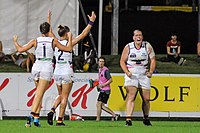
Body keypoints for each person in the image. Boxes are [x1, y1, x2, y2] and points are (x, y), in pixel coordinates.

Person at [13, 11, 73, 127]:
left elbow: (20, 50)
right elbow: (69, 49)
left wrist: (15, 41)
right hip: (46, 67)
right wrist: (70, 38)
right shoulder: (53, 41)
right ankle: (30, 116)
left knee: (39, 93)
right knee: (39, 94)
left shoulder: (35, 40)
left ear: (41, 31)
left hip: (36, 66)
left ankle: (36, 118)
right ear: (49, 30)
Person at [47, 11, 96, 126]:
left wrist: (49, 19)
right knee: (65, 97)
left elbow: (49, 32)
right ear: (67, 33)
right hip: (66, 71)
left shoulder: (55, 41)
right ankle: (59, 120)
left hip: (57, 71)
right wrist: (91, 22)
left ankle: (52, 109)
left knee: (60, 95)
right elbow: (84, 34)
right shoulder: (70, 42)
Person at [120, 29, 156, 126]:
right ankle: (128, 119)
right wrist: (127, 72)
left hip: (143, 73)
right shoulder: (128, 47)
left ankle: (146, 118)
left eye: (140, 35)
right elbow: (122, 61)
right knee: (131, 96)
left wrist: (151, 71)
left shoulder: (147, 46)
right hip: (132, 72)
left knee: (146, 99)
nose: (138, 37)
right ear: (133, 37)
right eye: (136, 35)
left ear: (142, 37)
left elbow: (153, 59)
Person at [95, 56, 119, 121]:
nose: (101, 63)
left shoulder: (106, 70)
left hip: (105, 90)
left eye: (102, 61)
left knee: (99, 104)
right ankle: (114, 115)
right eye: (100, 61)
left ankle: (98, 119)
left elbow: (110, 80)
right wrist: (96, 80)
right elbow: (101, 78)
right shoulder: (100, 69)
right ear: (98, 62)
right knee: (100, 105)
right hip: (103, 90)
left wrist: (103, 85)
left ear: (104, 62)